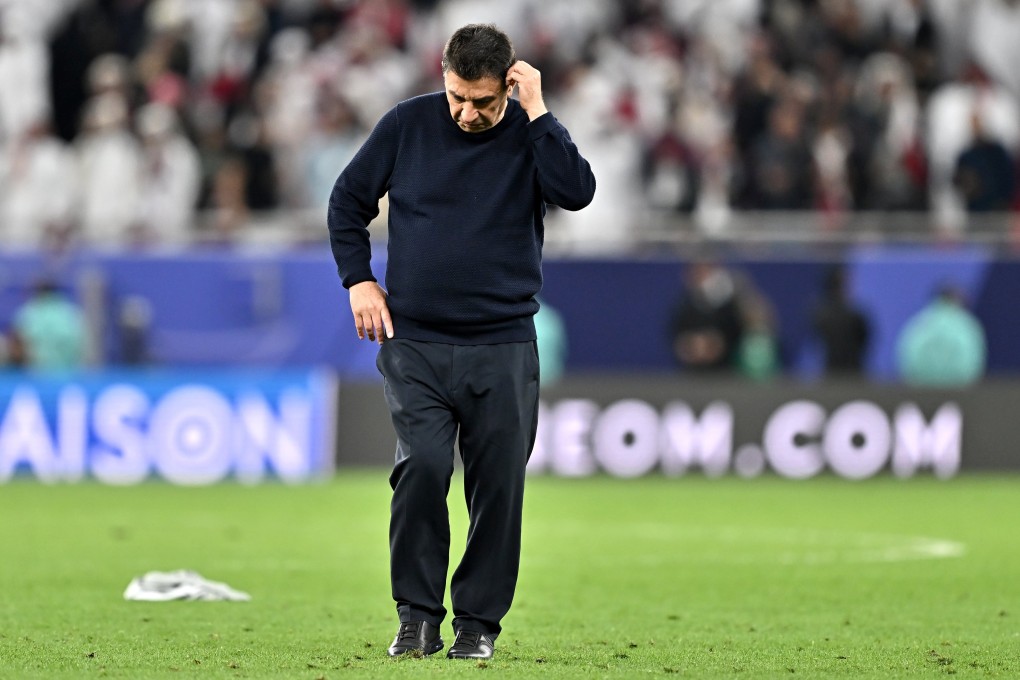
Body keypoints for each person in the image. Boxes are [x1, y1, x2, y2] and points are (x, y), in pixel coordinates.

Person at [326, 23, 595, 661]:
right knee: (420, 467)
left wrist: (537, 113)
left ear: (509, 85)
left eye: (483, 101)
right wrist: (359, 281)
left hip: (503, 342)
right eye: (456, 96)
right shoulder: (407, 125)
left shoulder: (532, 133)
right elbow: (346, 202)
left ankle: (478, 626)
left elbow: (576, 193)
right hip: (415, 339)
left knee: (498, 486)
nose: (467, 113)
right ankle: (416, 617)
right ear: (442, 78)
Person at [896, 285, 986, 387]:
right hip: (958, 392)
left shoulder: (918, 323)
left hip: (921, 392)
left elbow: (907, 358)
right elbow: (973, 364)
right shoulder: (968, 325)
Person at [668, 259, 745, 374]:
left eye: (705, 272)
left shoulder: (727, 305)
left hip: (723, 371)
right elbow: (675, 335)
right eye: (697, 273)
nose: (701, 277)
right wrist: (691, 345)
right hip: (691, 372)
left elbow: (737, 332)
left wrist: (715, 344)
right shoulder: (683, 305)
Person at [9, 278, 87, 372]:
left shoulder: (27, 313)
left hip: (34, 375)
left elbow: (17, 346)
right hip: (69, 373)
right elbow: (83, 346)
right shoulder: (72, 312)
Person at [810, 265, 871, 377]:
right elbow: (864, 339)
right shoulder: (854, 317)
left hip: (837, 373)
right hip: (849, 373)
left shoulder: (819, 315)